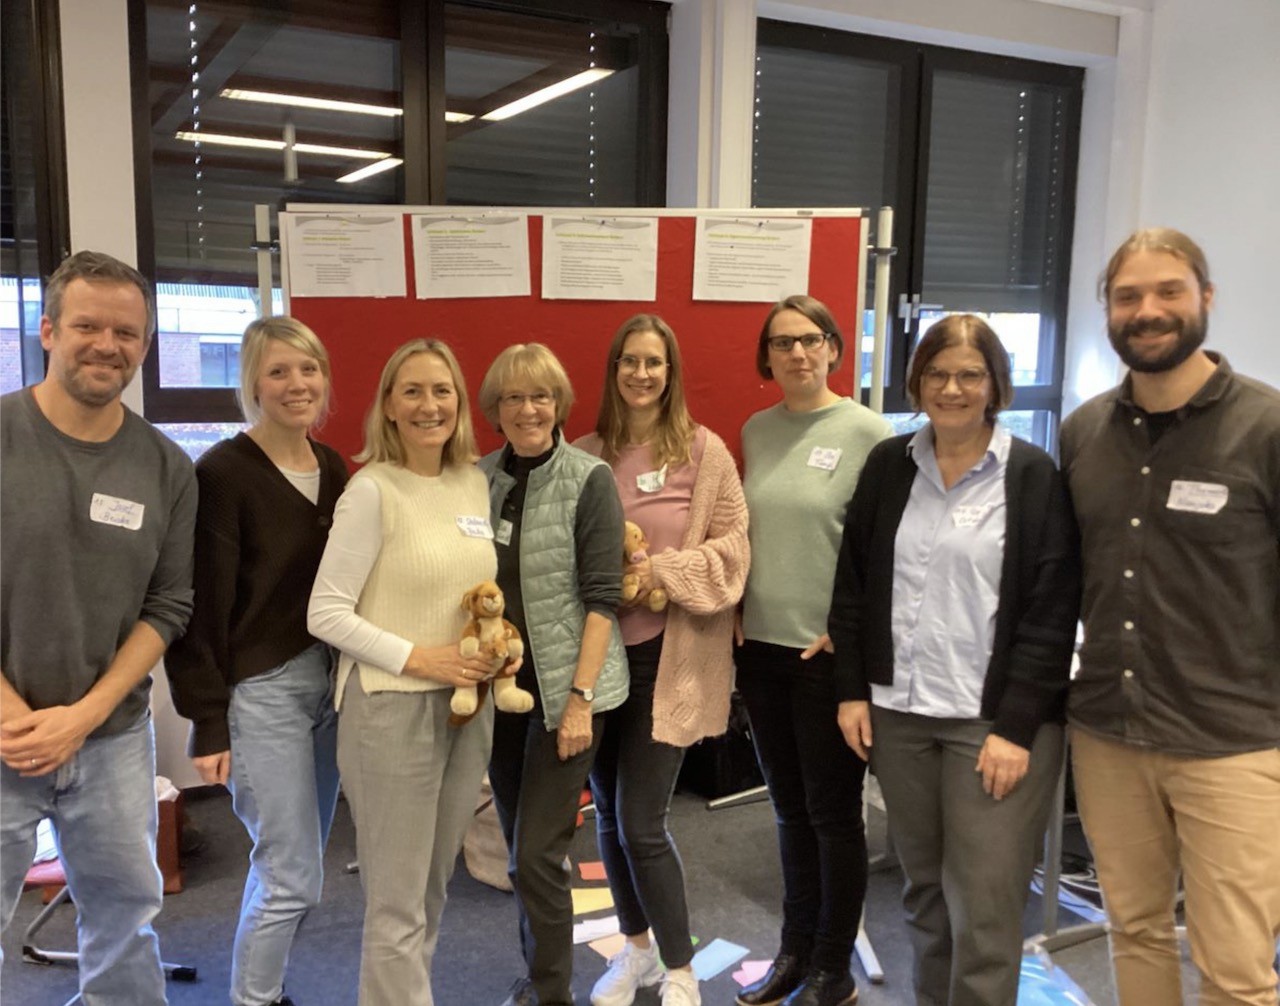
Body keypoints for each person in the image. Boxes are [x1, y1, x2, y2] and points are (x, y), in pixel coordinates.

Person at [828, 314, 1080, 1006]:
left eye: (970, 375)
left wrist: (1017, 727)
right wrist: (852, 690)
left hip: (990, 723)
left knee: (986, 905)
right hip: (900, 715)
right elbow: (852, 585)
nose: (952, 388)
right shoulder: (890, 464)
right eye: (937, 374)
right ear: (917, 383)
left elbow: (1053, 611)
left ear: (995, 384)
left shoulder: (1031, 474)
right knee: (925, 890)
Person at [1061, 228, 1280, 1006]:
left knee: (1236, 969)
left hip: (1232, 744)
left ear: (1205, 299)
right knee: (1135, 932)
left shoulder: (1266, 427)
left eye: (1168, 292)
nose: (1147, 311)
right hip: (1108, 733)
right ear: (1108, 311)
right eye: (1128, 296)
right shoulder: (1084, 431)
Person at [0, 250, 196, 1005]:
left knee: (125, 921)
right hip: (4, 732)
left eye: (127, 333)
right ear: (48, 330)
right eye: (88, 326)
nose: (107, 345)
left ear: (144, 345)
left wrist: (82, 717)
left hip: (110, 738)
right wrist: (16, 717)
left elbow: (167, 607)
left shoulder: (166, 467)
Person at [307, 339, 498, 1006]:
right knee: (396, 904)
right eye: (412, 391)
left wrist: (490, 649)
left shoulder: (474, 483)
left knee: (432, 889)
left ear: (459, 402)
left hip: (466, 708)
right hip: (390, 709)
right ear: (388, 405)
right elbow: (325, 613)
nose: (428, 405)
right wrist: (422, 658)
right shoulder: (372, 490)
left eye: (442, 390)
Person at [166, 316, 348, 1006]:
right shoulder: (222, 474)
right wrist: (207, 721)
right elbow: (200, 609)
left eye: (308, 369)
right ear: (252, 384)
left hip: (329, 687)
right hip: (261, 692)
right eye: (278, 371)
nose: (296, 384)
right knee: (291, 876)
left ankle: (262, 990)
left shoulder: (333, 468)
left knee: (296, 869)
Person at [575, 315, 750, 1006]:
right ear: (613, 369)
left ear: (670, 372)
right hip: (597, 663)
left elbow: (735, 550)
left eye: (654, 362)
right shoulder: (586, 453)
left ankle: (681, 968)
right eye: (630, 360)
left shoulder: (706, 454)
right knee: (608, 815)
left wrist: (663, 573)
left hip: (667, 660)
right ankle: (638, 951)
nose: (641, 373)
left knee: (643, 821)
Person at [735, 295, 892, 1006]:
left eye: (810, 339)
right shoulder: (756, 430)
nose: (797, 352)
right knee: (788, 811)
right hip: (761, 649)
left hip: (826, 654)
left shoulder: (869, 433)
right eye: (782, 342)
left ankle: (834, 967)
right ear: (767, 357)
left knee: (833, 815)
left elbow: (887, 549)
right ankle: (794, 951)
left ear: (832, 347)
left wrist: (852, 629)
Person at [477, 343, 628, 1006]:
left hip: (571, 692)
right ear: (496, 409)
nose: (528, 409)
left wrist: (579, 701)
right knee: (519, 850)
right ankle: (540, 976)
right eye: (513, 397)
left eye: (540, 396)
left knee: (536, 854)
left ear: (559, 404)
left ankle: (552, 993)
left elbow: (603, 598)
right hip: (503, 694)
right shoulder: (481, 478)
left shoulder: (589, 479)